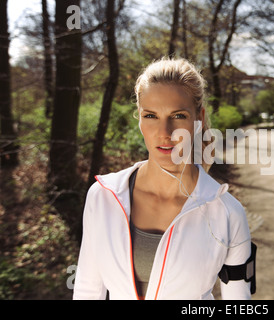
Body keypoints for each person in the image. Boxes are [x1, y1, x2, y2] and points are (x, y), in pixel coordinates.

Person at [73, 57, 254, 300]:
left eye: (178, 116)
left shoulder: (228, 213)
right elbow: (87, 289)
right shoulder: (103, 196)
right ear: (139, 118)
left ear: (198, 119)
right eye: (151, 116)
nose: (164, 133)